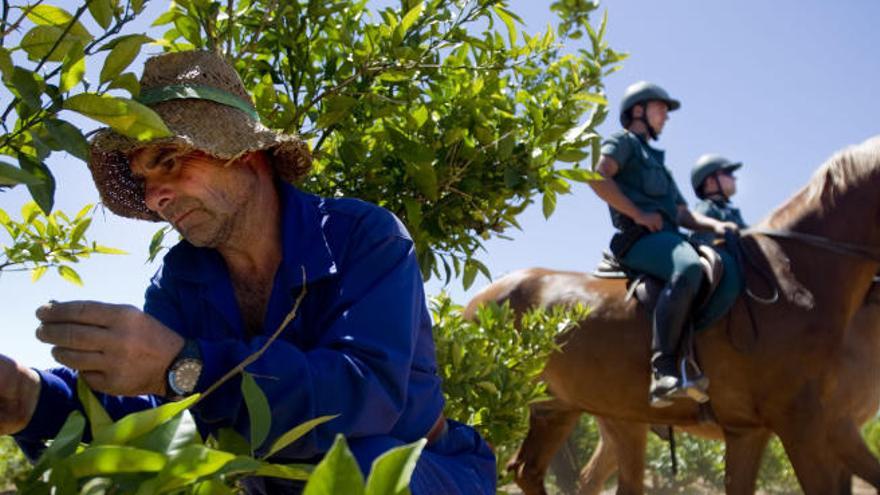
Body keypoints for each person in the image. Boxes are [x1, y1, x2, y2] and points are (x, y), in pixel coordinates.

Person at [0, 51, 495, 494]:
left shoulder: (363, 237)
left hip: (423, 472)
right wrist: (35, 398)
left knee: (354, 472)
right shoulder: (182, 278)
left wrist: (184, 364)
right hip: (278, 485)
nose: (155, 198)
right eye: (143, 181)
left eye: (168, 161)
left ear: (244, 154)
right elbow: (162, 411)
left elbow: (364, 396)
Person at [587, 81, 740, 407]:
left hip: (669, 237)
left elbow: (685, 214)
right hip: (639, 239)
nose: (666, 117)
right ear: (638, 111)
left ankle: (694, 358)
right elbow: (598, 177)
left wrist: (719, 225)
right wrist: (638, 213)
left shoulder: (660, 164)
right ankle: (664, 370)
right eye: (661, 109)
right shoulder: (623, 142)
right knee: (687, 267)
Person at [690, 154, 748, 245]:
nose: (734, 178)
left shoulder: (731, 212)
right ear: (711, 181)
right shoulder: (707, 208)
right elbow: (700, 246)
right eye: (728, 173)